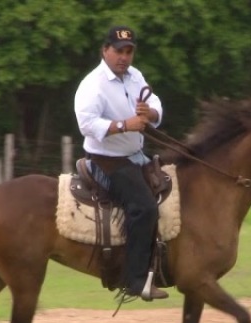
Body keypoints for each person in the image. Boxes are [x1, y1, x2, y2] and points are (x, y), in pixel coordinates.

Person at [74, 25, 169, 301]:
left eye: (129, 51)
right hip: (107, 161)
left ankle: (161, 265)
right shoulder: (92, 85)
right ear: (105, 50)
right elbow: (87, 124)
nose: (124, 57)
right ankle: (135, 281)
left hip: (136, 156)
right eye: (118, 50)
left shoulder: (136, 76)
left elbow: (157, 105)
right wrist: (125, 124)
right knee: (144, 207)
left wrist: (150, 113)